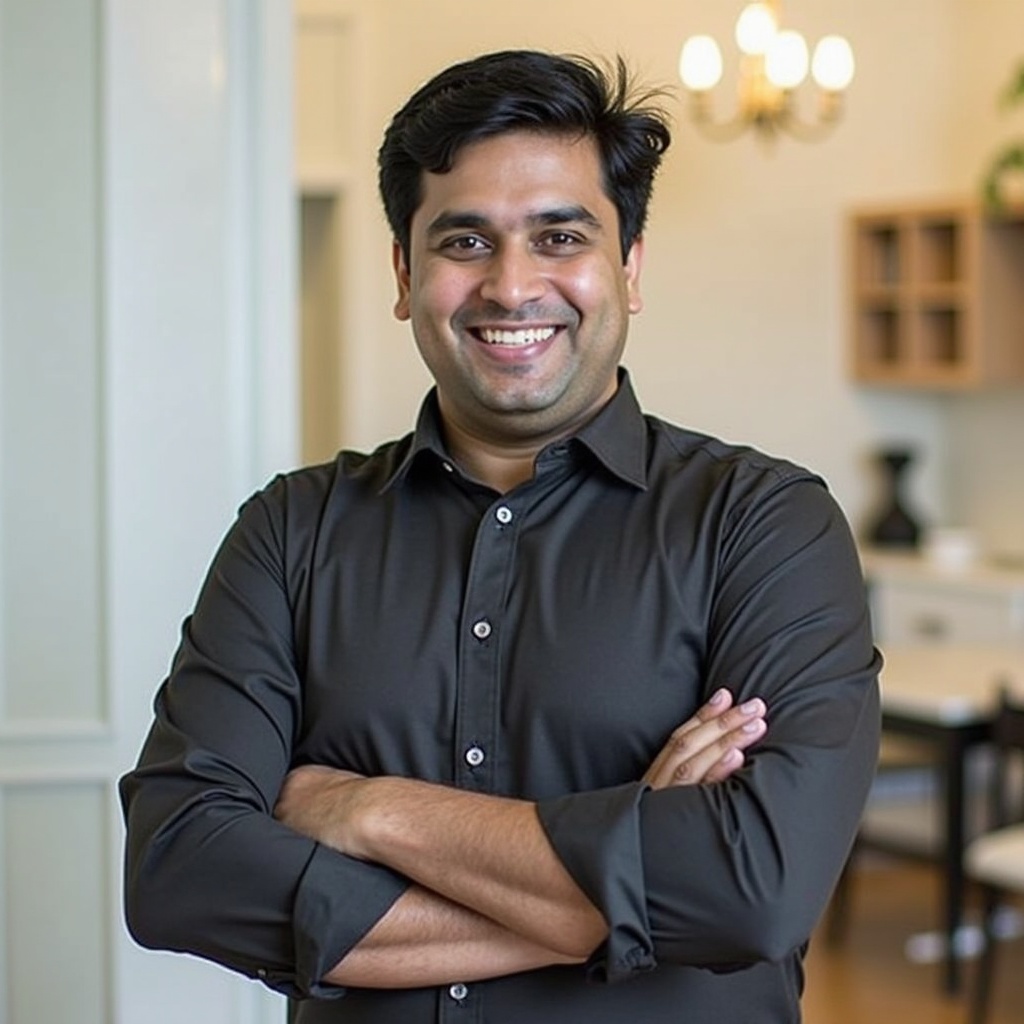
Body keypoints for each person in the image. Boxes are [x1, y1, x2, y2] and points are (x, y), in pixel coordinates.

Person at [120, 49, 881, 1024]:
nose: (512, 286)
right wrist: (631, 869)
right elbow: (180, 868)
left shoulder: (762, 523)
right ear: (404, 272)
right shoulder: (289, 530)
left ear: (629, 268)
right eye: (464, 242)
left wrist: (366, 810)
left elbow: (754, 887)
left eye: (560, 235)